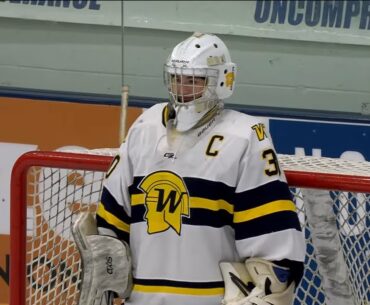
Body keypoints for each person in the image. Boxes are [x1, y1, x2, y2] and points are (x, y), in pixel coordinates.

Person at [95, 32, 305, 305]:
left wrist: (271, 288)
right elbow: (111, 222)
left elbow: (275, 247)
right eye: (177, 78)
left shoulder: (244, 136)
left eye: (194, 79)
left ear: (221, 80)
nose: (183, 88)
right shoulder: (145, 128)